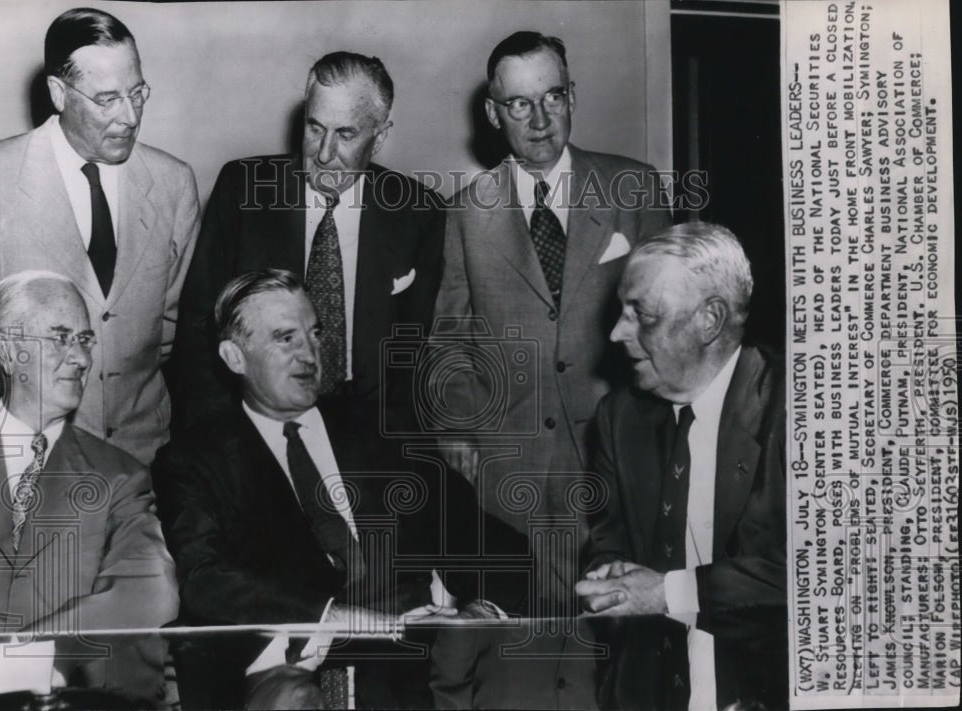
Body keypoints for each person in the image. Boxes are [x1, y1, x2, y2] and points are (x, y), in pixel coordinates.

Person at [152, 270, 526, 710]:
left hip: (418, 642)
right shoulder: (197, 460)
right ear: (235, 357)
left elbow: (481, 535)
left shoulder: (377, 428)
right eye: (284, 338)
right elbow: (205, 580)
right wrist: (336, 617)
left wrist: (478, 616)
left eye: (313, 333)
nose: (308, 354)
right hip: (298, 651)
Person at [433, 30, 671, 603]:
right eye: (519, 103)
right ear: (493, 113)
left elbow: (669, 331)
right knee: (530, 656)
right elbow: (449, 345)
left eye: (553, 97)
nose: (540, 119)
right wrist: (467, 453)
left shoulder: (633, 189)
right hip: (509, 485)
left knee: (619, 650)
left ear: (571, 96)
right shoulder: (466, 212)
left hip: (618, 472)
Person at [170, 51, 444, 432]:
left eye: (346, 134)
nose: (325, 154)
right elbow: (198, 331)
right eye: (315, 128)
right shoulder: (243, 190)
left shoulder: (418, 212)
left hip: (369, 430)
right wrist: (218, 434)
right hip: (254, 421)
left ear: (380, 136)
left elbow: (420, 353)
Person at [0, 7, 200, 465]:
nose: (131, 116)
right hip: (22, 464)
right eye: (107, 98)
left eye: (138, 93)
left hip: (144, 463)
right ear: (59, 93)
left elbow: (172, 332)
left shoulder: (174, 184)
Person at [576, 222, 786, 710]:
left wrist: (667, 592)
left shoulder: (804, 408)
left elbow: (825, 578)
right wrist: (611, 574)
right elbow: (608, 541)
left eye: (641, 315)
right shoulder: (619, 418)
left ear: (709, 320)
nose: (615, 332)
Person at [0, 271, 179, 705]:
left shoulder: (119, 476)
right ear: (4, 350)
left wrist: (26, 658)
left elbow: (151, 591)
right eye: (60, 337)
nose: (81, 359)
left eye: (85, 340)